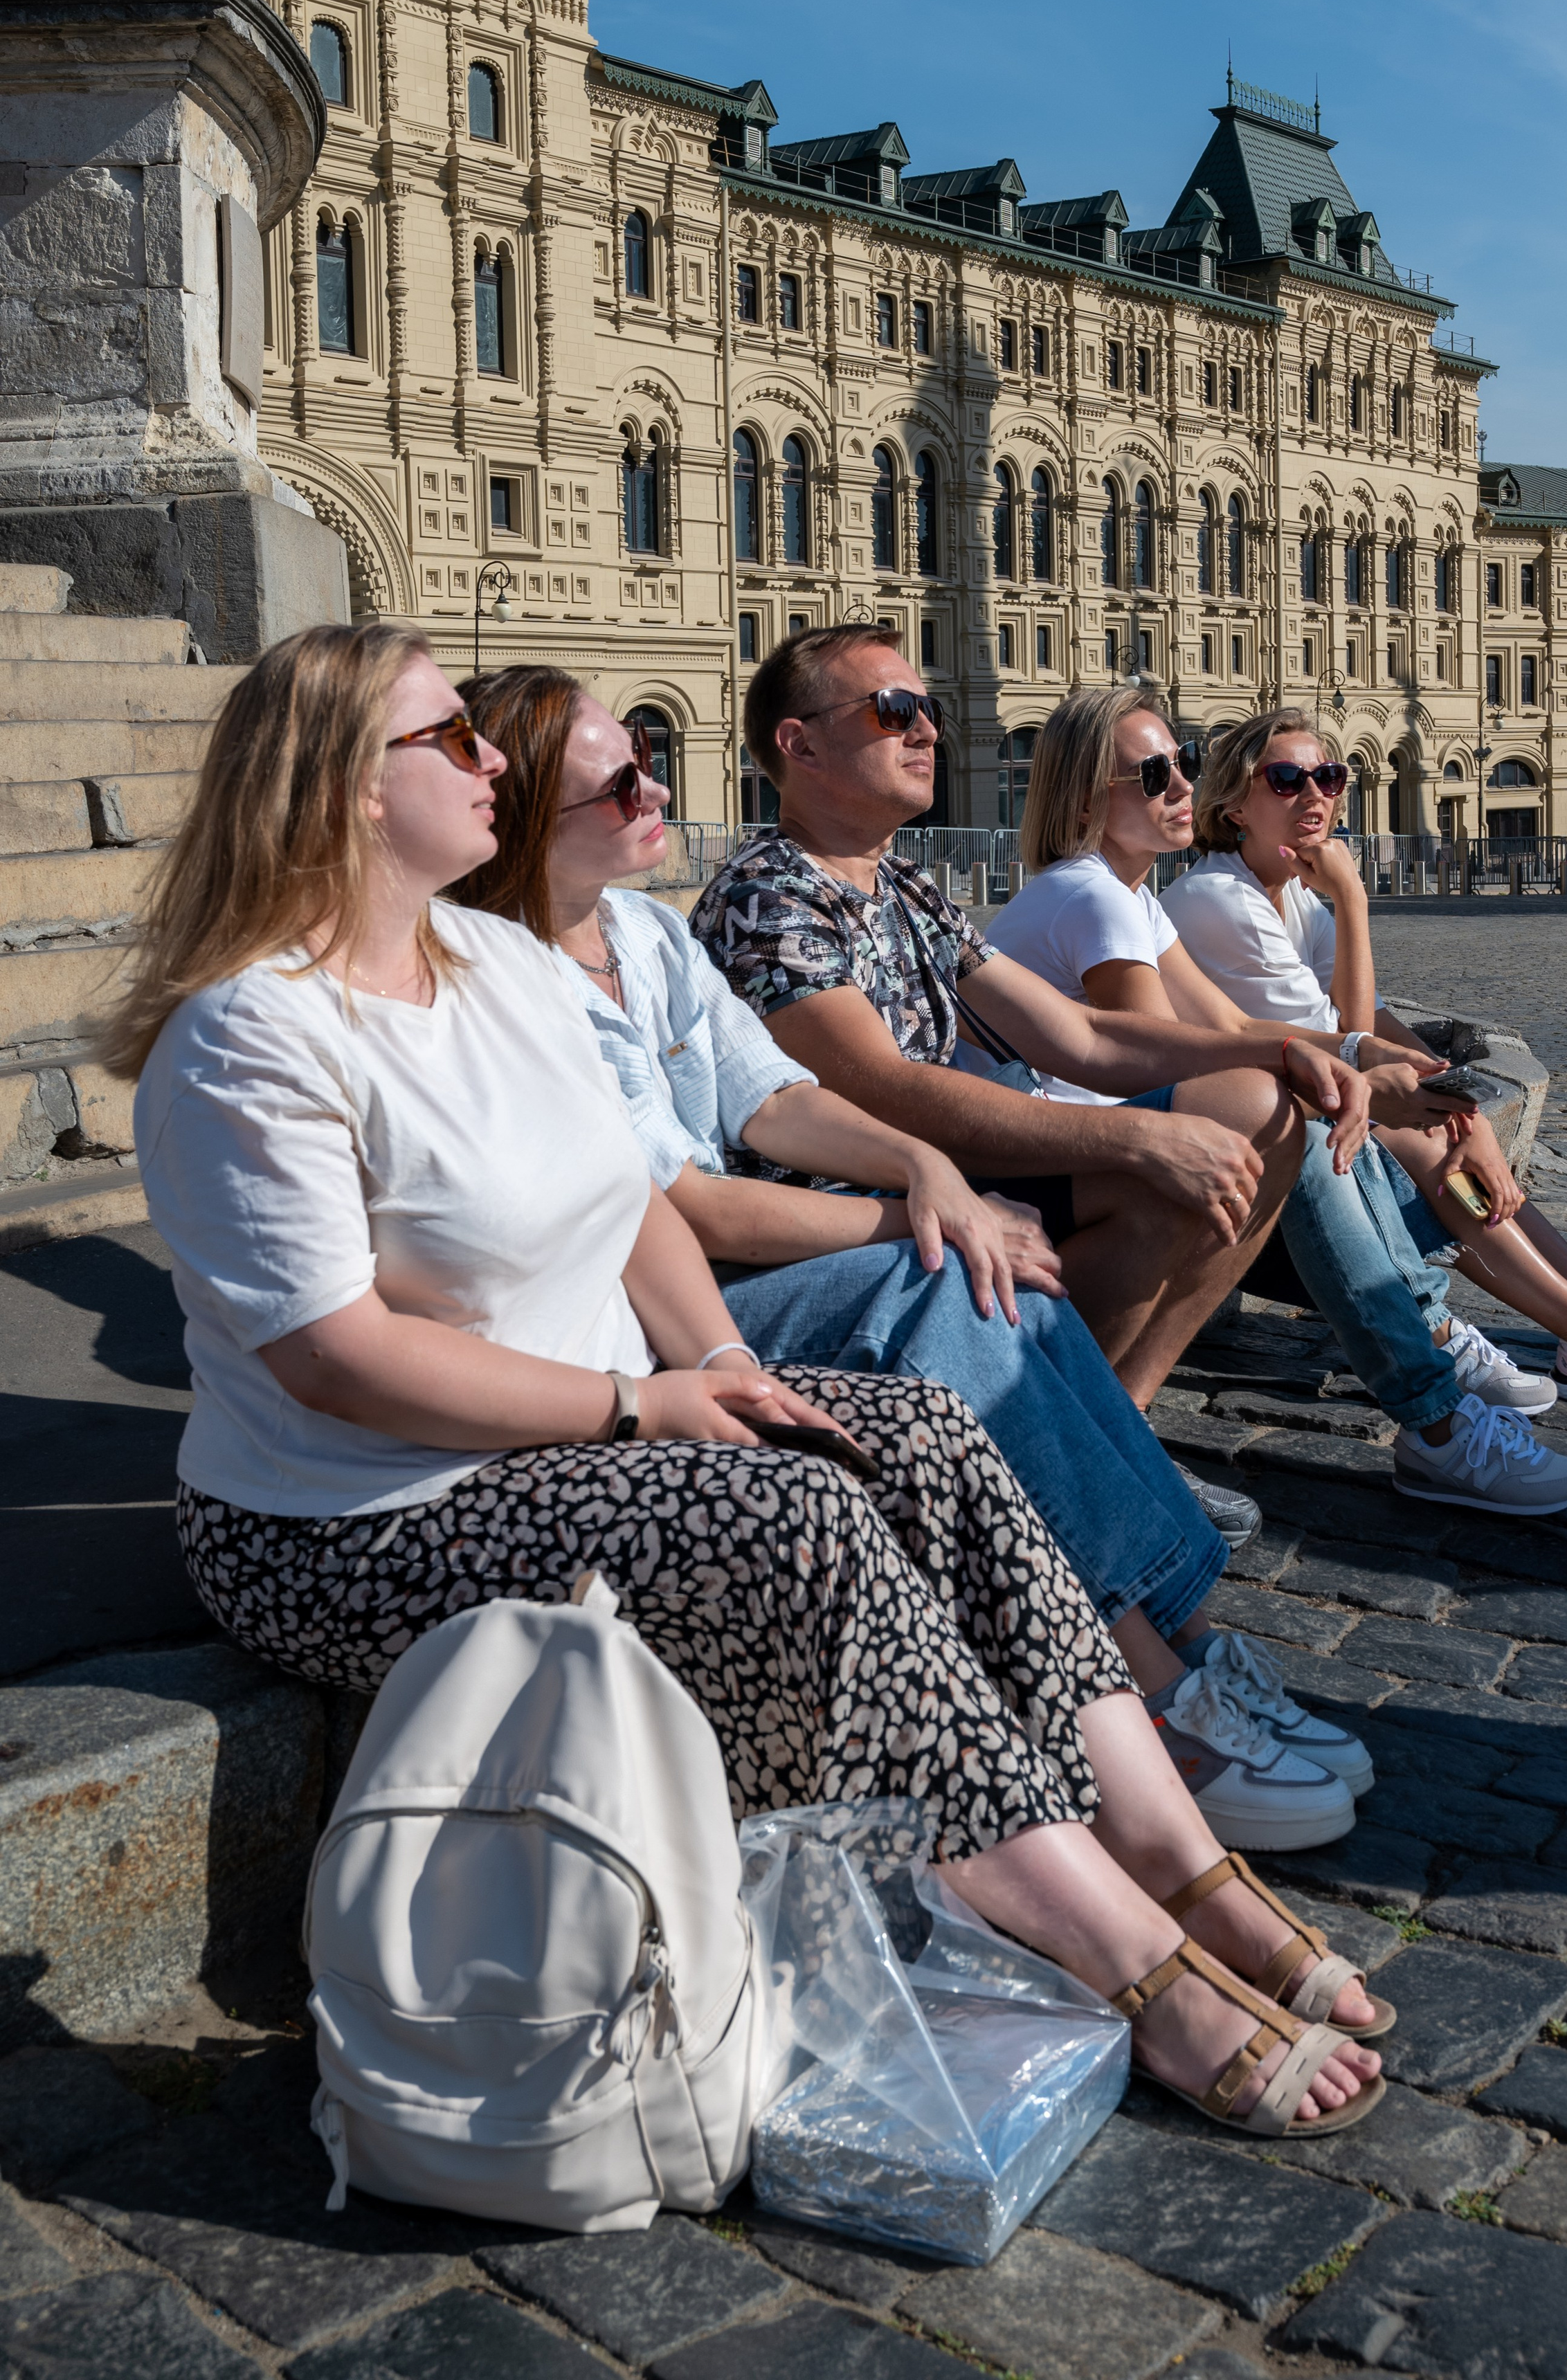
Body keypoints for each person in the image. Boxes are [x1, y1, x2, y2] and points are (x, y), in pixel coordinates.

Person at [103, 621, 1385, 2134]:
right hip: (354, 1517)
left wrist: (715, 1357)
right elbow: (336, 1357)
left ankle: (1184, 1864)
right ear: (343, 789)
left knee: (917, 1435)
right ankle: (1127, 1955)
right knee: (807, 1522)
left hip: (581, 1433)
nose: (485, 763)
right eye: (450, 738)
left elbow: (635, 1195)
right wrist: (644, 1405)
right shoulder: (249, 1034)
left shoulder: (494, 959)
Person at [451, 663, 1367, 1851]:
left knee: (1003, 1257)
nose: (656, 785)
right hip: (682, 1311)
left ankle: (1173, 1633)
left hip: (795, 1240)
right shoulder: (646, 934)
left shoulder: (644, 929)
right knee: (961, 1279)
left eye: (648, 757)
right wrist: (923, 1205)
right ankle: (1144, 1687)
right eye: (621, 778)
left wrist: (928, 1175)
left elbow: (778, 1096)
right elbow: (699, 1199)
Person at [691, 623, 1415, 1415]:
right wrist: (1139, 1136)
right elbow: (881, 1088)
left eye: (928, 709)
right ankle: (1084, 1427)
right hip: (847, 1211)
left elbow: (1086, 1035)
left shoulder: (903, 885)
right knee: (1192, 1147)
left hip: (940, 1169)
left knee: (1255, 1103)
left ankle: (1115, 1425)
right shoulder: (769, 891)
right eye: (895, 710)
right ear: (800, 745)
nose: (928, 728)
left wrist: (1292, 1050)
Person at [987, 687, 1567, 1517]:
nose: (1181, 789)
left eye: (1185, 765)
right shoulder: (1092, 894)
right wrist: (1332, 1069)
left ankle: (1442, 1361)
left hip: (1085, 1151)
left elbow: (1229, 1023)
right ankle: (1434, 1409)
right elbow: (1155, 1054)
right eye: (1156, 772)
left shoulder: (1131, 897)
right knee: (1287, 1116)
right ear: (1089, 793)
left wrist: (1354, 1054)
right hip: (1041, 1168)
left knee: (1304, 1105)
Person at [1164, 710, 1567, 1425]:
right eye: (1285, 778)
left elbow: (1377, 1026)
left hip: (1300, 1115)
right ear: (1233, 804)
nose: (1313, 793)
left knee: (1443, 1133)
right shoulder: (1221, 899)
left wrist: (1463, 1109)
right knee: (1421, 1139)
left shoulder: (1286, 894)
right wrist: (1351, 898)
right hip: (1226, 1153)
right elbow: (1350, 1047)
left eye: (1328, 775)